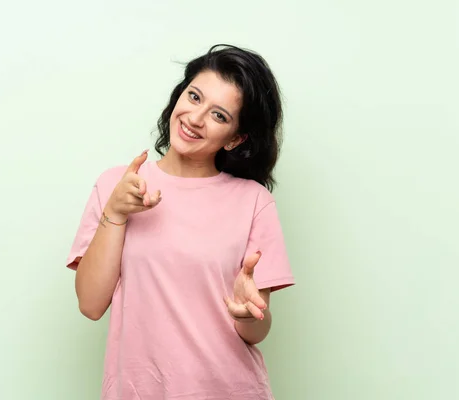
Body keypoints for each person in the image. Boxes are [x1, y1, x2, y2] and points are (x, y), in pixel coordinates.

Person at [65, 44, 295, 399]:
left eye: (219, 115)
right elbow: (91, 305)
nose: (195, 118)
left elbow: (256, 330)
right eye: (194, 96)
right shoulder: (117, 185)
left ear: (236, 138)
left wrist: (249, 314)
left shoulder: (254, 202)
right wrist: (116, 213)